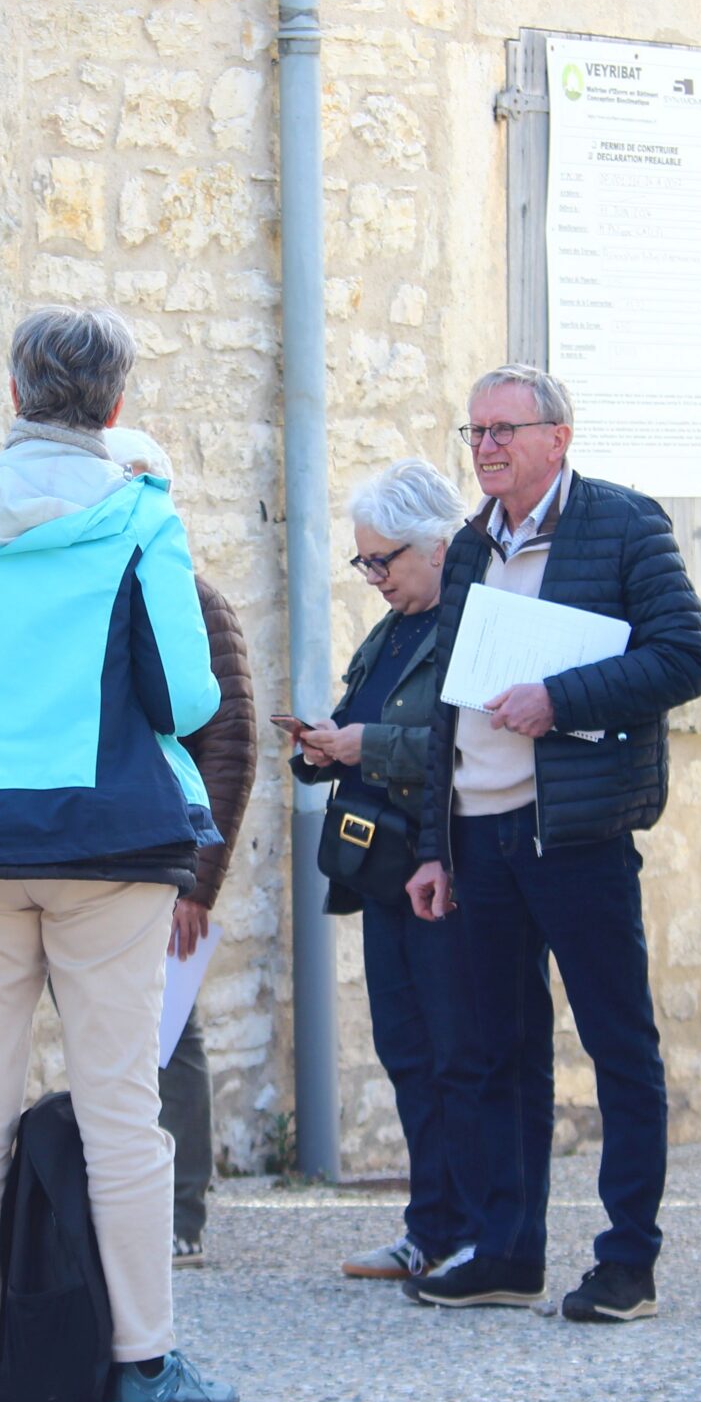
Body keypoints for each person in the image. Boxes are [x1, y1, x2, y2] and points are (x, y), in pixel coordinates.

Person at [0, 307, 239, 1402]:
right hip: (107, 843)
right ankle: (143, 1366)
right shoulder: (141, 515)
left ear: (16, 395)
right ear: (115, 407)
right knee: (122, 1106)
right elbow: (189, 697)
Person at [402, 367, 701, 1323]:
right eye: (475, 431)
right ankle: (508, 1252)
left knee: (618, 1045)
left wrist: (559, 697)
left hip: (576, 830)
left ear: (558, 437)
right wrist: (432, 843)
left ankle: (628, 1262)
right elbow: (445, 706)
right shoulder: (469, 545)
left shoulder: (623, 525)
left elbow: (685, 657)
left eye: (504, 429)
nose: (486, 447)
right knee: (498, 1050)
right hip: (478, 833)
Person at [288, 459, 479, 1285]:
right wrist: (322, 746)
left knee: (455, 1052)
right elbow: (362, 716)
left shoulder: (470, 621)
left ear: (436, 544)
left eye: (383, 560)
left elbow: (472, 743)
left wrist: (367, 745)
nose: (374, 577)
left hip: (443, 863)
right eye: (363, 562)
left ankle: (474, 1230)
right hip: (382, 867)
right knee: (405, 1048)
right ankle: (428, 1227)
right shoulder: (393, 625)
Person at [102, 430, 256, 1275]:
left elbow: (229, 747)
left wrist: (199, 883)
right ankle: (104, 1203)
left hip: (163, 855)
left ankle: (179, 1211)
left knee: (168, 1034)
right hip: (85, 851)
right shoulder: (76, 590)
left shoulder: (194, 601)